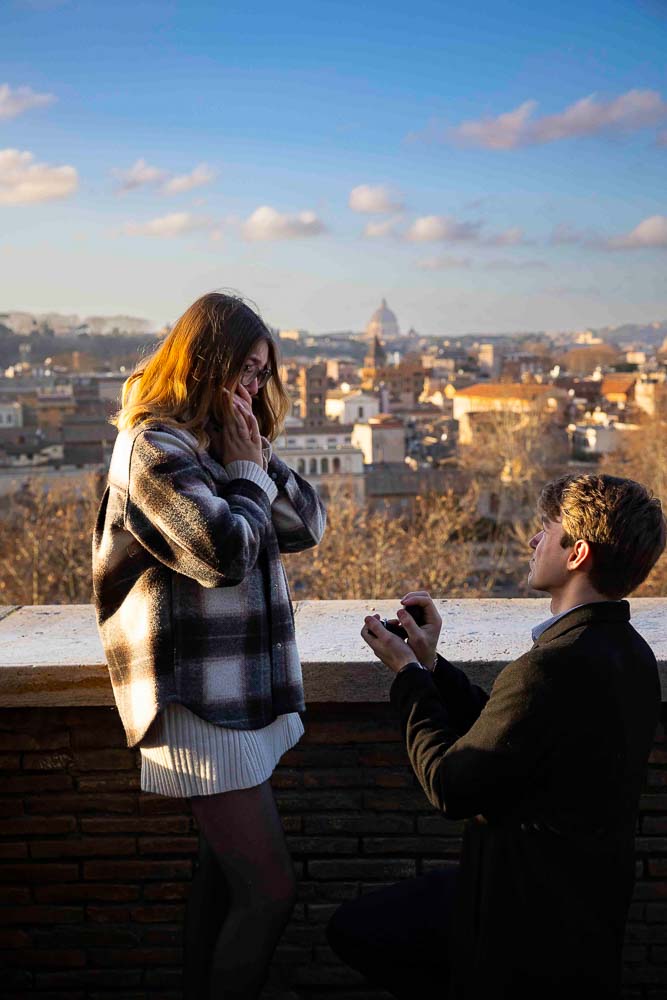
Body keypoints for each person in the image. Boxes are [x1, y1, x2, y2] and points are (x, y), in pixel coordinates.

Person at [327, 473, 665, 1000]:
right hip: (583, 908)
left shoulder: (553, 666)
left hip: (519, 915)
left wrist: (408, 677)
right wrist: (433, 664)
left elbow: (450, 786)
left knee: (354, 930)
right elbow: (510, 732)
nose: (532, 541)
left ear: (576, 553)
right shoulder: (629, 653)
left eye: (545, 531)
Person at [92, 292, 326, 1000]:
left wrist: (250, 455)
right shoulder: (151, 446)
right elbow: (222, 551)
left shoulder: (218, 443)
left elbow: (306, 523)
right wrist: (246, 474)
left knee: (225, 885)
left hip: (244, 690)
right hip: (196, 697)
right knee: (268, 891)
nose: (254, 387)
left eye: (262, 374)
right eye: (245, 371)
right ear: (206, 362)